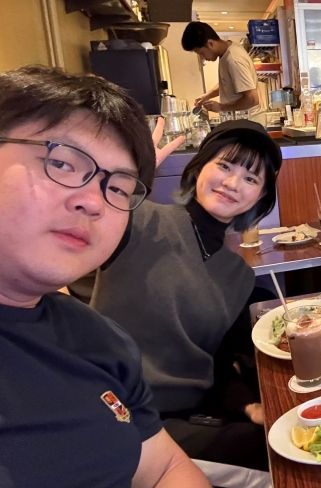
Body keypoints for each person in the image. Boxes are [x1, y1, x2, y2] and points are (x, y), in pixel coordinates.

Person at [0, 66, 209, 486]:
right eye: (62, 162)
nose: (94, 202)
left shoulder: (99, 338)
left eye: (117, 188)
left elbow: (164, 468)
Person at [90, 120, 281, 473]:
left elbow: (218, 363)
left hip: (188, 415)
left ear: (261, 197)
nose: (232, 183)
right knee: (271, 457)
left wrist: (249, 406)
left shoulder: (238, 275)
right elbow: (84, 215)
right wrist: (124, 182)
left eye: (251, 179)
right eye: (224, 166)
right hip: (114, 412)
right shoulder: (138, 219)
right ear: (199, 168)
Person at [182, 21, 260, 114]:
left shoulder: (233, 60)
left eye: (201, 53)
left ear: (210, 43)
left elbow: (252, 99)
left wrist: (221, 107)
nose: (202, 58)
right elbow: (229, 83)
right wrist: (207, 96)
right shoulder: (227, 52)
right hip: (240, 120)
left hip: (247, 121)